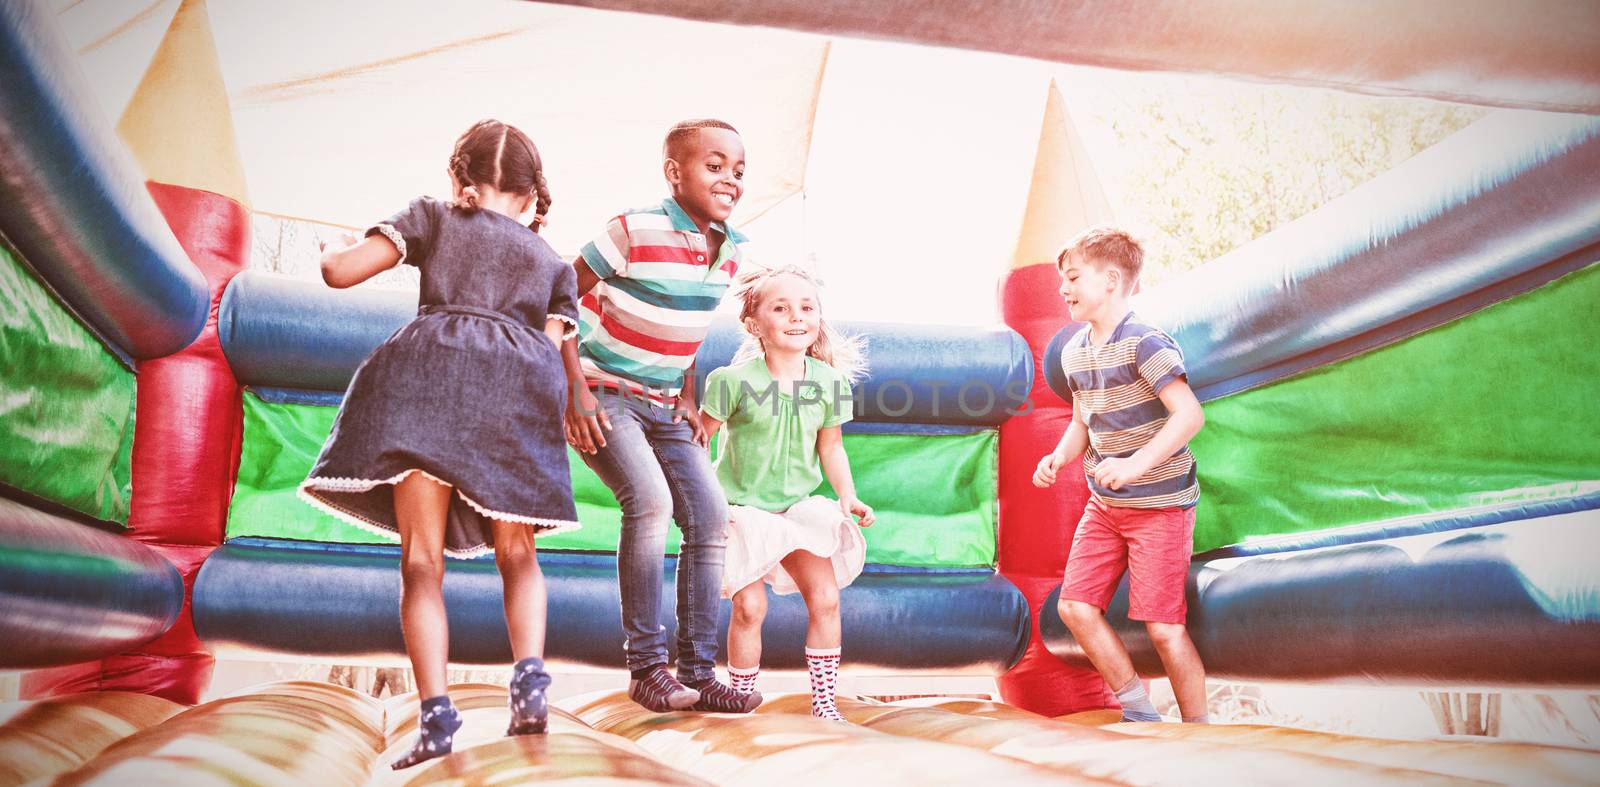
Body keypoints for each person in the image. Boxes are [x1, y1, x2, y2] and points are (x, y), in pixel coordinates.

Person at [301, 119, 578, 768]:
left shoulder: (433, 216)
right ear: (533, 195)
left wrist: (328, 246)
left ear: (459, 179)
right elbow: (559, 342)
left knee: (422, 562)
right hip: (518, 387)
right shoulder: (553, 263)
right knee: (518, 553)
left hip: (427, 379)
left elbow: (341, 272)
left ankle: (436, 714)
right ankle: (531, 676)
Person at [560, 119, 758, 713]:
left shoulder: (733, 251)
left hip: (667, 404)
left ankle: (696, 673)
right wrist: (574, 389)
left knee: (710, 515)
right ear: (675, 173)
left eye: (739, 170)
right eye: (714, 165)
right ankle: (647, 667)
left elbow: (685, 332)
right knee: (650, 503)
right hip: (603, 391)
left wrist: (691, 398)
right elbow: (559, 299)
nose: (730, 179)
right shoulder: (632, 229)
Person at [1032, 227, 1209, 724]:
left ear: (1111, 280)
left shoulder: (1144, 344)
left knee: (1164, 629)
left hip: (1160, 506)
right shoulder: (1074, 352)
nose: (1063, 289)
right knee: (1075, 609)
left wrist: (1135, 464)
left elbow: (1189, 415)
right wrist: (1058, 458)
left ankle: (1199, 733)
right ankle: (1137, 708)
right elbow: (1081, 423)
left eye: (1072, 278)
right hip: (1106, 507)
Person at [699, 266, 872, 722]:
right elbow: (698, 443)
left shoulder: (829, 383)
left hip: (798, 508)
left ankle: (824, 703)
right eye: (781, 308)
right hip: (743, 509)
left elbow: (831, 447)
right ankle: (741, 698)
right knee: (751, 606)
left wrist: (847, 497)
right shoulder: (731, 381)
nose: (797, 317)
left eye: (807, 307)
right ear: (755, 324)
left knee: (827, 598)